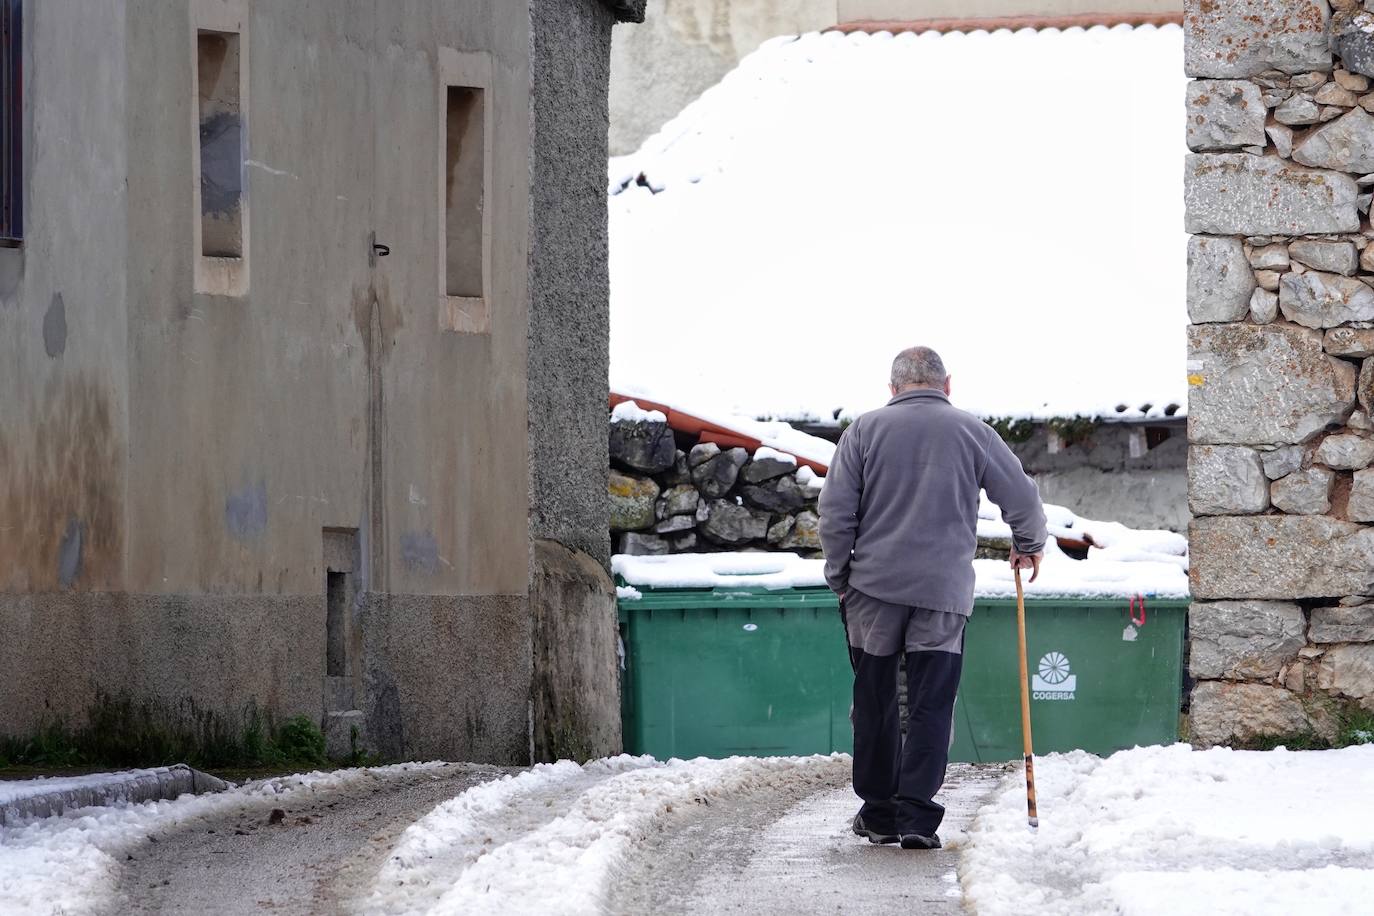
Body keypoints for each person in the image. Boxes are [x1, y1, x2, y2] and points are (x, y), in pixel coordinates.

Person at [818, 345, 1047, 850]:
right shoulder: (973, 432)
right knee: (931, 702)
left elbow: (834, 514)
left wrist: (839, 575)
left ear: (893, 387)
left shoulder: (863, 431)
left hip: (872, 593)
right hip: (943, 594)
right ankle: (918, 818)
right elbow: (1023, 496)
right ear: (947, 384)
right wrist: (1028, 544)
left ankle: (878, 814)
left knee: (875, 700)